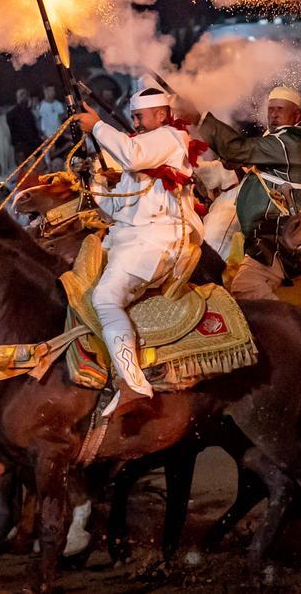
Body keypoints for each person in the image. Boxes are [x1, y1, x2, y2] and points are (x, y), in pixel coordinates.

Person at [75, 87, 203, 416]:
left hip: (157, 242)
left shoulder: (170, 137)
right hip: (132, 240)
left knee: (105, 299)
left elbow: (131, 153)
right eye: (133, 117)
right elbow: (116, 211)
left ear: (161, 115)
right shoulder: (143, 150)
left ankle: (133, 383)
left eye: (139, 116)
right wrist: (94, 181)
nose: (135, 122)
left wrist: (98, 126)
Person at [191, 85, 301, 300]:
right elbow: (244, 156)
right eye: (271, 109)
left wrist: (200, 119)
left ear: (297, 114)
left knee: (246, 287)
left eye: (280, 109)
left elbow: (237, 148)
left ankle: (282, 331)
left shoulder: (289, 143)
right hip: (267, 235)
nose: (273, 114)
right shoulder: (281, 138)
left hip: (278, 239)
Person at [6, 88, 41, 163]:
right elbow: (10, 131)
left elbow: (34, 128)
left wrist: (37, 141)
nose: (24, 97)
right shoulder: (12, 114)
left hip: (33, 145)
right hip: (22, 147)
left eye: (25, 95)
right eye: (22, 95)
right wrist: (17, 145)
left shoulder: (29, 112)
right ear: (18, 97)